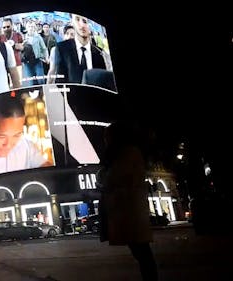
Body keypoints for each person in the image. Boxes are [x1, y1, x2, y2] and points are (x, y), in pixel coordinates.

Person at [97, 121, 158, 281]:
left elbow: (113, 179)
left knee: (141, 251)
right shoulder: (127, 154)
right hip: (128, 210)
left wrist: (103, 178)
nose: (105, 141)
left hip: (130, 211)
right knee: (140, 251)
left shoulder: (127, 154)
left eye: (107, 137)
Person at [47, 14, 106, 84]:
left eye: (84, 21)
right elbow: (58, 80)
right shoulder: (61, 49)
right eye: (77, 19)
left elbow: (103, 80)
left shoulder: (99, 52)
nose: (82, 25)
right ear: (72, 22)